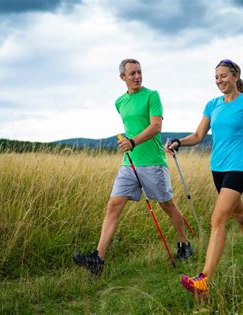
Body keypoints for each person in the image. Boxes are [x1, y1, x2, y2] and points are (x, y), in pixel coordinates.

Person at [73, 58, 194, 275]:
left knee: (167, 205)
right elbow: (131, 127)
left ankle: (184, 245)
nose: (137, 76)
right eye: (132, 74)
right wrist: (128, 142)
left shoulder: (152, 95)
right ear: (123, 77)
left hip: (153, 162)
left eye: (139, 72)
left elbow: (156, 126)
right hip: (129, 163)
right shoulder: (119, 102)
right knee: (114, 204)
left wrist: (134, 142)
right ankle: (97, 259)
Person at [166, 59, 243, 297]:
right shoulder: (212, 104)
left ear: (236, 76)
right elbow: (198, 135)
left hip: (237, 169)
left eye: (224, 76)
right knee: (242, 217)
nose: (219, 81)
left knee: (218, 219)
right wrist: (178, 142)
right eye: (216, 77)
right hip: (217, 169)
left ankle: (203, 280)